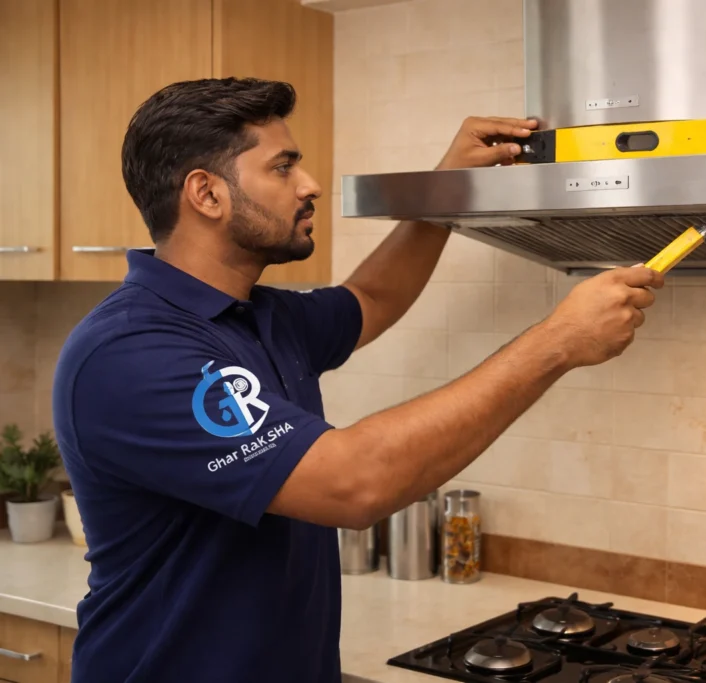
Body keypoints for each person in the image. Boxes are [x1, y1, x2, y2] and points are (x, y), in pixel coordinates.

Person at [51, 77, 663, 683]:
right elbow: (355, 484)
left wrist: (444, 187)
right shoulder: (132, 352)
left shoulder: (261, 316)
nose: (309, 184)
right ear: (207, 194)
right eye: (283, 167)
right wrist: (556, 344)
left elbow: (373, 296)